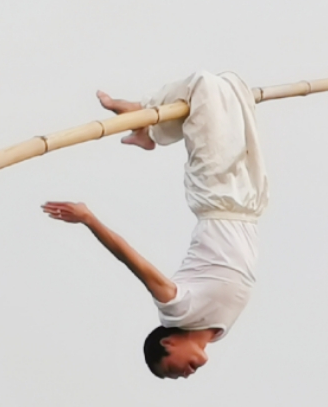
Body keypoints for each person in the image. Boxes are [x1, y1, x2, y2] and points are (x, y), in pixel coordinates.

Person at [42, 71, 268, 379]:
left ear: (168, 343)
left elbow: (133, 261)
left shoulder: (177, 311)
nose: (184, 375)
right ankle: (147, 130)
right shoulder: (219, 331)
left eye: (172, 370)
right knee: (232, 93)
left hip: (216, 195)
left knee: (206, 85)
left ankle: (143, 115)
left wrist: (89, 220)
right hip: (251, 204)